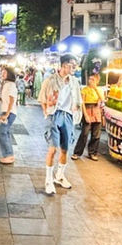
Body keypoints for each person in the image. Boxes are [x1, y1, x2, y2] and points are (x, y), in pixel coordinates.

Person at [38, 54, 82, 195]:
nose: (74, 68)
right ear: (64, 65)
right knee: (53, 149)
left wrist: (78, 111)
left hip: (68, 116)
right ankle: (48, 180)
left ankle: (60, 176)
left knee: (65, 149)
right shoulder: (50, 80)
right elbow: (42, 99)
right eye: (71, 65)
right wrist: (47, 112)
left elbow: (78, 99)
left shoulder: (75, 82)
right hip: (54, 115)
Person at [73, 73, 104, 161]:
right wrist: (85, 115)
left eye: (93, 79)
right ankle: (77, 152)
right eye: (90, 79)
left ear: (97, 81)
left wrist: (95, 89)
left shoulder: (99, 90)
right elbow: (82, 102)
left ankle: (93, 153)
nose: (90, 81)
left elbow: (102, 99)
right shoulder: (84, 90)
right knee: (84, 133)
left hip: (96, 111)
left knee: (96, 135)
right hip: (87, 109)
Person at [0, 67, 18, 164]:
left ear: (9, 74)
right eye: (2, 72)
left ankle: (8, 155)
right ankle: (9, 155)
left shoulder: (11, 85)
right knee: (6, 133)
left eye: (4, 72)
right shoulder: (6, 84)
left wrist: (7, 114)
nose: (2, 74)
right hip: (6, 111)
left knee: (2, 133)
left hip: (9, 112)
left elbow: (12, 100)